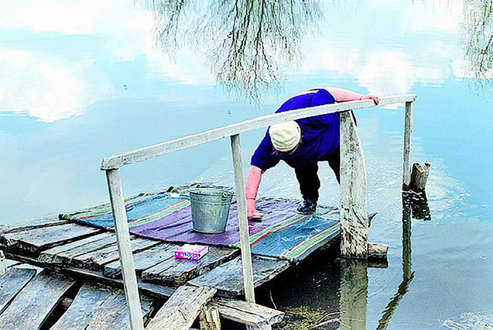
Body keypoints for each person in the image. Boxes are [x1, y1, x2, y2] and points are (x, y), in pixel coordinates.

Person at [245, 87, 379, 219]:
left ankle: (353, 205)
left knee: (344, 171)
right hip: (307, 151)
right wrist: (250, 201)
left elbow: (330, 93)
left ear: (300, 139)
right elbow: (256, 167)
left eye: (291, 150)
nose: (288, 155)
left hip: (336, 135)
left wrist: (361, 98)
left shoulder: (317, 113)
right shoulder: (273, 137)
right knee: (303, 168)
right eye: (283, 153)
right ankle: (309, 200)